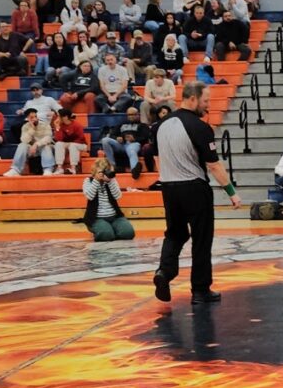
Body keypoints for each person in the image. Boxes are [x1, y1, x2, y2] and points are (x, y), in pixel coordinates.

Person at [153, 82, 242, 304]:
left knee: (175, 233)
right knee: (202, 238)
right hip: (194, 187)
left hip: (169, 187)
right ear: (192, 98)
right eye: (205, 101)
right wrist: (231, 192)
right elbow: (214, 165)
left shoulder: (160, 125)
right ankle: (200, 290)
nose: (208, 105)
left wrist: (167, 177)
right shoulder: (200, 127)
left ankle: (164, 272)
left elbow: (157, 159)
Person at [82, 158, 136, 242]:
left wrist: (110, 182)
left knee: (128, 233)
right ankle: (104, 230)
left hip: (115, 217)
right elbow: (89, 196)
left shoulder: (112, 180)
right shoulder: (88, 181)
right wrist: (96, 180)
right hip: (96, 218)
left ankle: (110, 229)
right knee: (106, 235)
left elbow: (118, 196)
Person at [4, 109, 55, 176]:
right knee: (22, 145)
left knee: (46, 146)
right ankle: (15, 170)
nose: (35, 119)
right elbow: (24, 140)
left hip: (44, 148)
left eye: (35, 116)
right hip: (32, 150)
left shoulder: (45, 125)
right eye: (32, 117)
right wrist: (32, 129)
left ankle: (48, 170)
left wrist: (36, 144)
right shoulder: (25, 127)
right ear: (27, 118)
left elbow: (48, 138)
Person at [103, 106, 150, 178]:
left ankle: (134, 170)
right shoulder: (121, 124)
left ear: (138, 114)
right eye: (129, 115)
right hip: (121, 144)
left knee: (131, 150)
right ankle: (112, 165)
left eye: (134, 114)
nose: (131, 116)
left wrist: (134, 139)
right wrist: (117, 138)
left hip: (134, 143)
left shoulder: (143, 125)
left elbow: (145, 137)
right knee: (105, 140)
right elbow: (112, 134)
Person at [52, 108, 87, 174]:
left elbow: (81, 138)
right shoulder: (60, 125)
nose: (57, 118)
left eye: (59, 116)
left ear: (65, 117)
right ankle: (59, 168)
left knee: (73, 145)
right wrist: (57, 127)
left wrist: (70, 141)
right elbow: (58, 139)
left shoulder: (77, 125)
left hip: (81, 145)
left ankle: (73, 168)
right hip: (68, 143)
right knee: (58, 144)